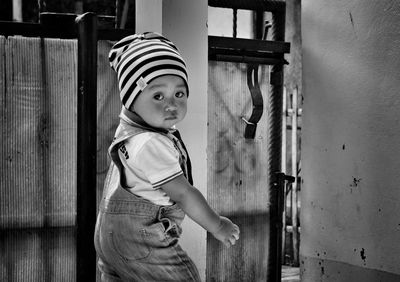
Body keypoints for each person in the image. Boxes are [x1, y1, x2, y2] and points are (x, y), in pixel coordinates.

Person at [94, 32, 240, 282]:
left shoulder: (128, 132)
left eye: (179, 94)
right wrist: (216, 225)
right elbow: (182, 193)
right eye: (158, 96)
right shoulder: (151, 143)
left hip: (108, 238)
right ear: (131, 99)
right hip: (140, 241)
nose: (170, 105)